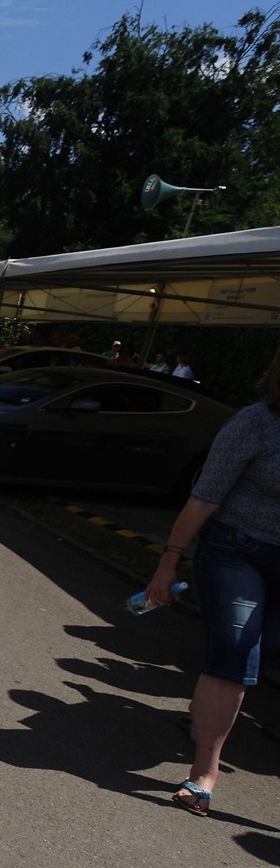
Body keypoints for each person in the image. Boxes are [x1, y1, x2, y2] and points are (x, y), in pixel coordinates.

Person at [144, 346, 280, 817]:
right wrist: (169, 561)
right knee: (237, 651)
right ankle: (205, 772)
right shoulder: (256, 423)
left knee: (264, 652)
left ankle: (202, 715)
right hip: (234, 550)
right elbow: (204, 498)